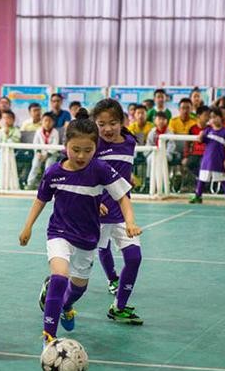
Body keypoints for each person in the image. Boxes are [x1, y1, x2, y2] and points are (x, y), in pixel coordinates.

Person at [18, 118, 142, 345]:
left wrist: (130, 222)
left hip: (87, 237)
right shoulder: (53, 172)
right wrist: (28, 226)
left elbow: (122, 196)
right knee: (59, 277)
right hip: (59, 233)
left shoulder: (100, 169)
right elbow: (41, 200)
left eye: (88, 150)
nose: (81, 155)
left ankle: (66, 306)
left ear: (96, 148)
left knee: (78, 289)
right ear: (66, 146)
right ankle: (49, 336)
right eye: (76, 149)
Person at [91, 98, 144, 322]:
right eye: (101, 124)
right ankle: (53, 287)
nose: (107, 129)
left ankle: (119, 307)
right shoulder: (92, 145)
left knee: (134, 258)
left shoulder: (130, 142)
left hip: (122, 211)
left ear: (122, 122)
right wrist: (95, 201)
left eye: (113, 123)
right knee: (76, 270)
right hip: (95, 213)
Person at [189, 106, 225, 205]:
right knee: (202, 178)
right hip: (207, 160)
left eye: (215, 117)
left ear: (221, 117)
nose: (213, 119)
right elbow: (200, 140)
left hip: (219, 160)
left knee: (223, 179)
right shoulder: (208, 130)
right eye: (211, 117)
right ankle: (198, 195)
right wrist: (201, 135)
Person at [26, 111, 59, 189]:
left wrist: (47, 155)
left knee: (48, 167)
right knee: (35, 166)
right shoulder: (38, 131)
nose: (47, 123)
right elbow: (35, 143)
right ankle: (30, 184)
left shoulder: (55, 132)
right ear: (42, 121)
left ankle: (47, 185)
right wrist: (38, 152)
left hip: (51, 154)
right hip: (40, 153)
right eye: (45, 120)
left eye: (49, 121)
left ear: (53, 123)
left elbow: (55, 145)